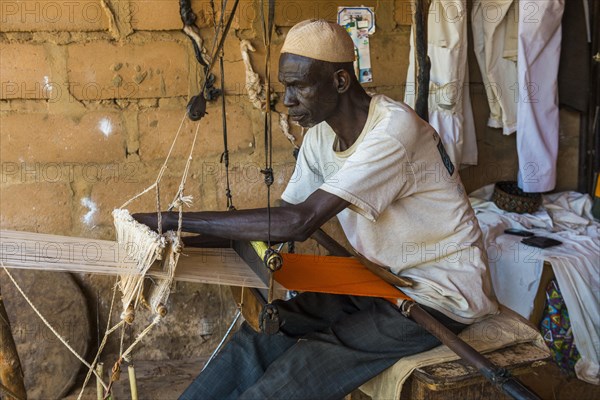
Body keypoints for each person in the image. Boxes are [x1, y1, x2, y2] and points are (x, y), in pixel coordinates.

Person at [135, 19, 498, 400]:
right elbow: (277, 221)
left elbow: (297, 222)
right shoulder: (321, 136)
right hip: (382, 281)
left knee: (293, 375)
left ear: (340, 82)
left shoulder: (393, 132)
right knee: (263, 336)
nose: (287, 100)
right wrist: (176, 242)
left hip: (440, 293)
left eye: (298, 86)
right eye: (285, 86)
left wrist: (169, 220)